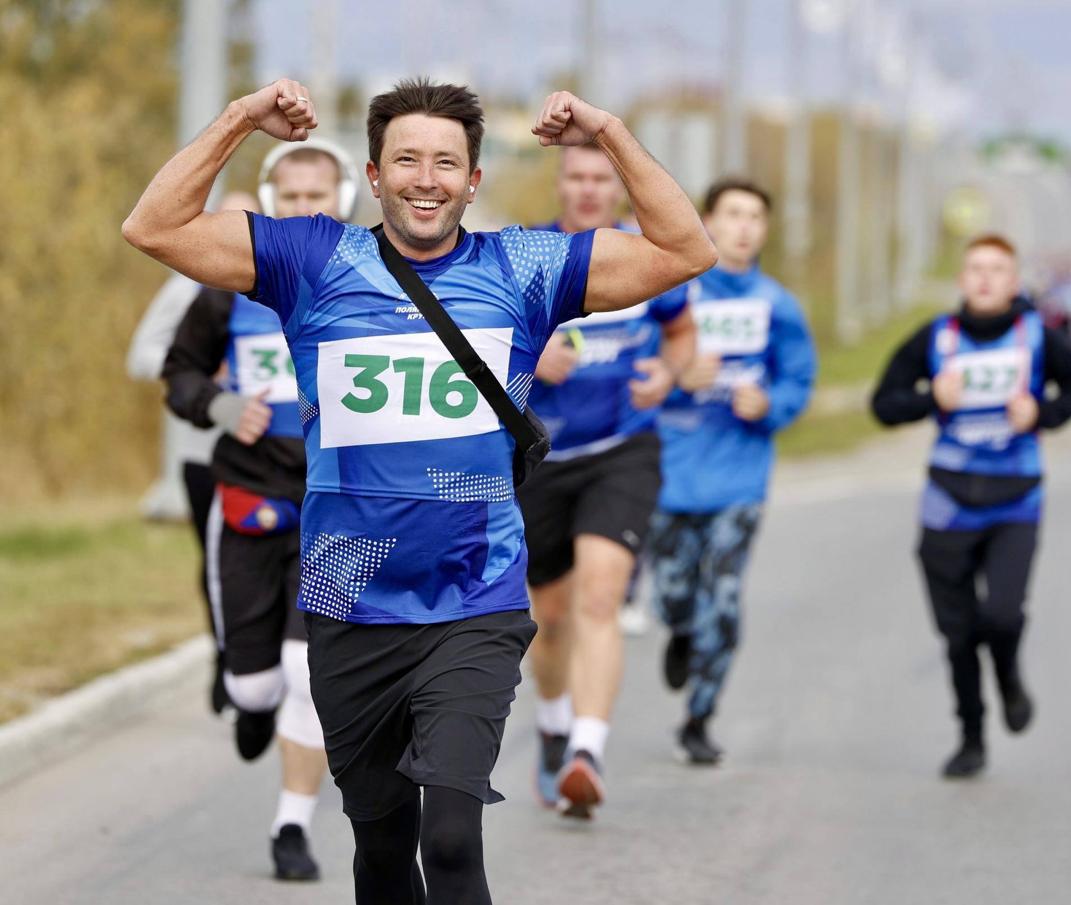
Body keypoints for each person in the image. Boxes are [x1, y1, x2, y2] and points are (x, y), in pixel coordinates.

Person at [123, 76, 715, 904]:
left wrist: (608, 132)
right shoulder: (312, 260)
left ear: (474, 181)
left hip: (473, 598)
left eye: (446, 162)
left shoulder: (522, 268)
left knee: (452, 841)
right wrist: (240, 120)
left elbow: (685, 250)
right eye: (406, 160)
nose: (426, 179)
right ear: (373, 175)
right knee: (382, 849)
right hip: (348, 603)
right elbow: (152, 226)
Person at [162, 140, 359, 881]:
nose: (305, 208)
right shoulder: (230, 282)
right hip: (247, 495)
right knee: (256, 684)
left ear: (344, 202)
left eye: (318, 196)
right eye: (292, 196)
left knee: (310, 671)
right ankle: (248, 698)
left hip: (336, 505)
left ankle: (291, 826)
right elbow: (179, 371)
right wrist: (219, 405)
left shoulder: (372, 281)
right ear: (271, 203)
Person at [871, 234, 1071, 780]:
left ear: (1014, 282)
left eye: (998, 269)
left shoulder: (1037, 336)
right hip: (947, 501)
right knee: (959, 634)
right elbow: (883, 404)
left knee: (1003, 615)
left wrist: (1041, 414)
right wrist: (931, 399)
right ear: (962, 279)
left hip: (1016, 496)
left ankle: (1009, 676)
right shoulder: (936, 337)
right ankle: (971, 736)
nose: (986, 278)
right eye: (976, 268)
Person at [518, 144, 697, 813]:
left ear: (618, 190)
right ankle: (553, 724)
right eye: (578, 177)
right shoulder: (525, 256)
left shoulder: (643, 255)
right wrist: (529, 354)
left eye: (601, 178)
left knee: (599, 597)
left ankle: (586, 751)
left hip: (624, 449)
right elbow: (468, 338)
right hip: (540, 456)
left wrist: (669, 373)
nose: (589, 189)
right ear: (560, 184)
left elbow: (682, 334)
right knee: (551, 617)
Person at [649, 178, 816, 764]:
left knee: (721, 599)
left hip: (739, 477)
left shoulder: (778, 305)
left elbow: (798, 378)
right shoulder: (672, 296)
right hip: (671, 473)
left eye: (755, 216)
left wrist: (770, 404)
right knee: (674, 596)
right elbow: (639, 367)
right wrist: (677, 377)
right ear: (708, 222)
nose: (744, 227)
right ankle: (679, 629)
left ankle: (699, 717)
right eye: (733, 214)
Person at [127, 190, 259, 715]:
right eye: (225, 216)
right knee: (220, 563)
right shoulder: (189, 282)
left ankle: (269, 667)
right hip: (203, 453)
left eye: (248, 218)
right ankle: (226, 659)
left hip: (269, 456)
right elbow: (144, 355)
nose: (234, 227)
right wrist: (212, 374)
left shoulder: (276, 277)